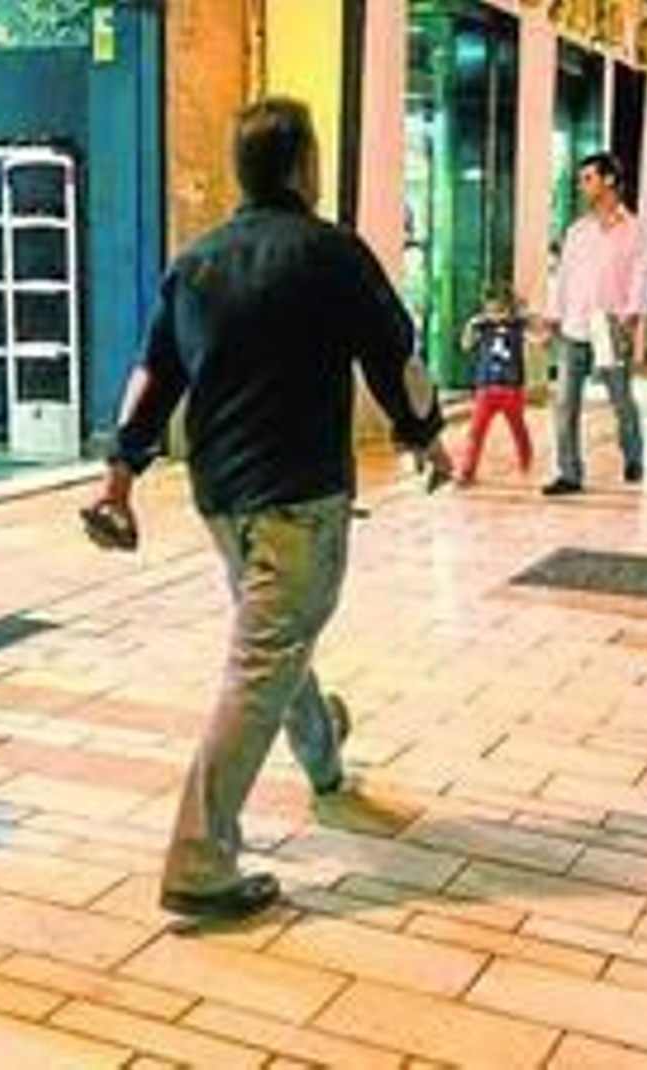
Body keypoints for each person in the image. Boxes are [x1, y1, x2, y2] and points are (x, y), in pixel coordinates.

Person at [80, 98, 450, 921]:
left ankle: (321, 755)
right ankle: (200, 860)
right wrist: (425, 434)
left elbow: (152, 376)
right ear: (304, 165)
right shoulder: (334, 254)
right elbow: (396, 353)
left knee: (274, 635)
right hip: (301, 494)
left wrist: (120, 473)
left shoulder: (197, 262)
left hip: (222, 497)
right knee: (264, 659)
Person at [542, 151, 647, 494]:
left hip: (610, 324)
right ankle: (569, 473)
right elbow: (563, 276)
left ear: (609, 180)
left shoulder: (633, 229)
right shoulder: (577, 231)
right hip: (574, 324)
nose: (582, 185)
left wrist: (632, 314)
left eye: (588, 178)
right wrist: (552, 316)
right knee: (565, 404)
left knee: (621, 400)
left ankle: (633, 456)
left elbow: (639, 274)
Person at [456, 282, 532, 485]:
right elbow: (465, 345)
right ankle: (467, 471)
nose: (494, 315)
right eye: (489, 310)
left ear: (509, 308)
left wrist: (529, 318)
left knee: (518, 429)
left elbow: (538, 340)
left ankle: (526, 460)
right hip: (486, 389)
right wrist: (470, 326)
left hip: (511, 389)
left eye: (499, 310)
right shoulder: (483, 326)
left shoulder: (518, 326)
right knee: (476, 432)